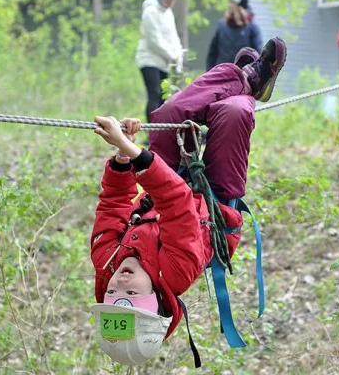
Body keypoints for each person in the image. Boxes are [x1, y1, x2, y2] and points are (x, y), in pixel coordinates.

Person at [90, 37, 287, 366]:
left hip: (162, 186)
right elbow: (178, 204)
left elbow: (113, 204)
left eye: (110, 295)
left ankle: (244, 79)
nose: (120, 284)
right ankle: (246, 81)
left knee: (168, 114)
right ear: (156, 298)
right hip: (215, 201)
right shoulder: (177, 273)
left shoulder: (106, 260)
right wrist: (130, 149)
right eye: (131, 295)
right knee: (233, 112)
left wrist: (122, 161)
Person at [135, 0, 183, 122]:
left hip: (163, 62)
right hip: (149, 59)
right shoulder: (150, 12)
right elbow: (154, 40)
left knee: (164, 95)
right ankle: (152, 131)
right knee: (154, 93)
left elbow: (173, 37)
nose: (171, 2)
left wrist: (178, 55)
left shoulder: (168, 13)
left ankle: (162, 131)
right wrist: (171, 55)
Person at [206, 0, 263, 71]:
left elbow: (258, 55)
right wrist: (209, 73)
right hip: (221, 73)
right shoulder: (222, 25)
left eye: (233, 5)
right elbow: (212, 53)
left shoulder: (251, 28)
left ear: (241, 9)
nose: (230, 7)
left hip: (242, 76)